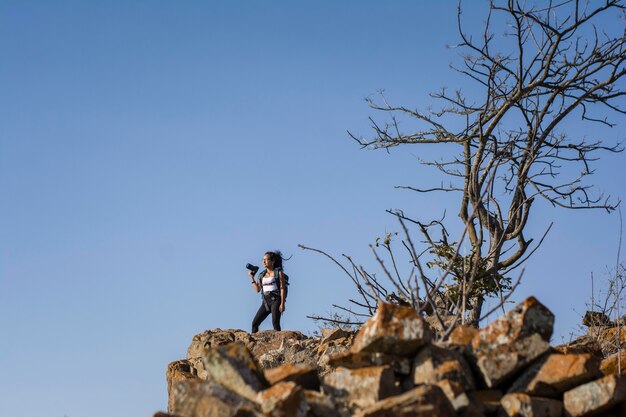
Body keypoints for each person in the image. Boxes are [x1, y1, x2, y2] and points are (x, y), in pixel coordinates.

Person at [249, 251, 286, 333]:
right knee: (254, 323)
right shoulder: (261, 275)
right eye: (263, 259)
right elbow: (257, 290)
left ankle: (279, 343)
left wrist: (282, 303)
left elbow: (282, 288)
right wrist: (252, 278)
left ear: (272, 261)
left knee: (275, 323)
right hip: (265, 302)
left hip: (276, 300)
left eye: (266, 259)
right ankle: (254, 343)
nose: (264, 262)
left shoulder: (278, 273)